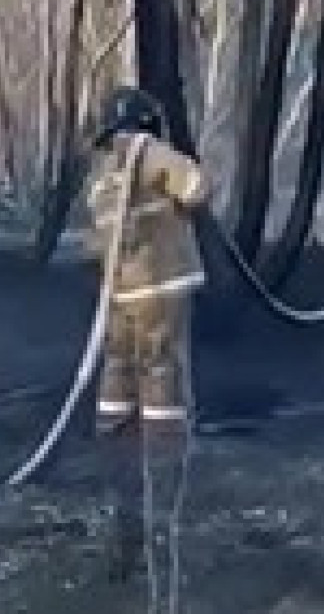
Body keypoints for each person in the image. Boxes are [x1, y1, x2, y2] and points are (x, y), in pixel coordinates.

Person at [85, 85, 208, 435]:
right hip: (161, 284)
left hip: (121, 294)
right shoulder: (149, 152)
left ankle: (114, 440)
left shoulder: (103, 171)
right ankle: (163, 449)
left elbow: (94, 244)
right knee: (161, 365)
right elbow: (196, 187)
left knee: (118, 365)